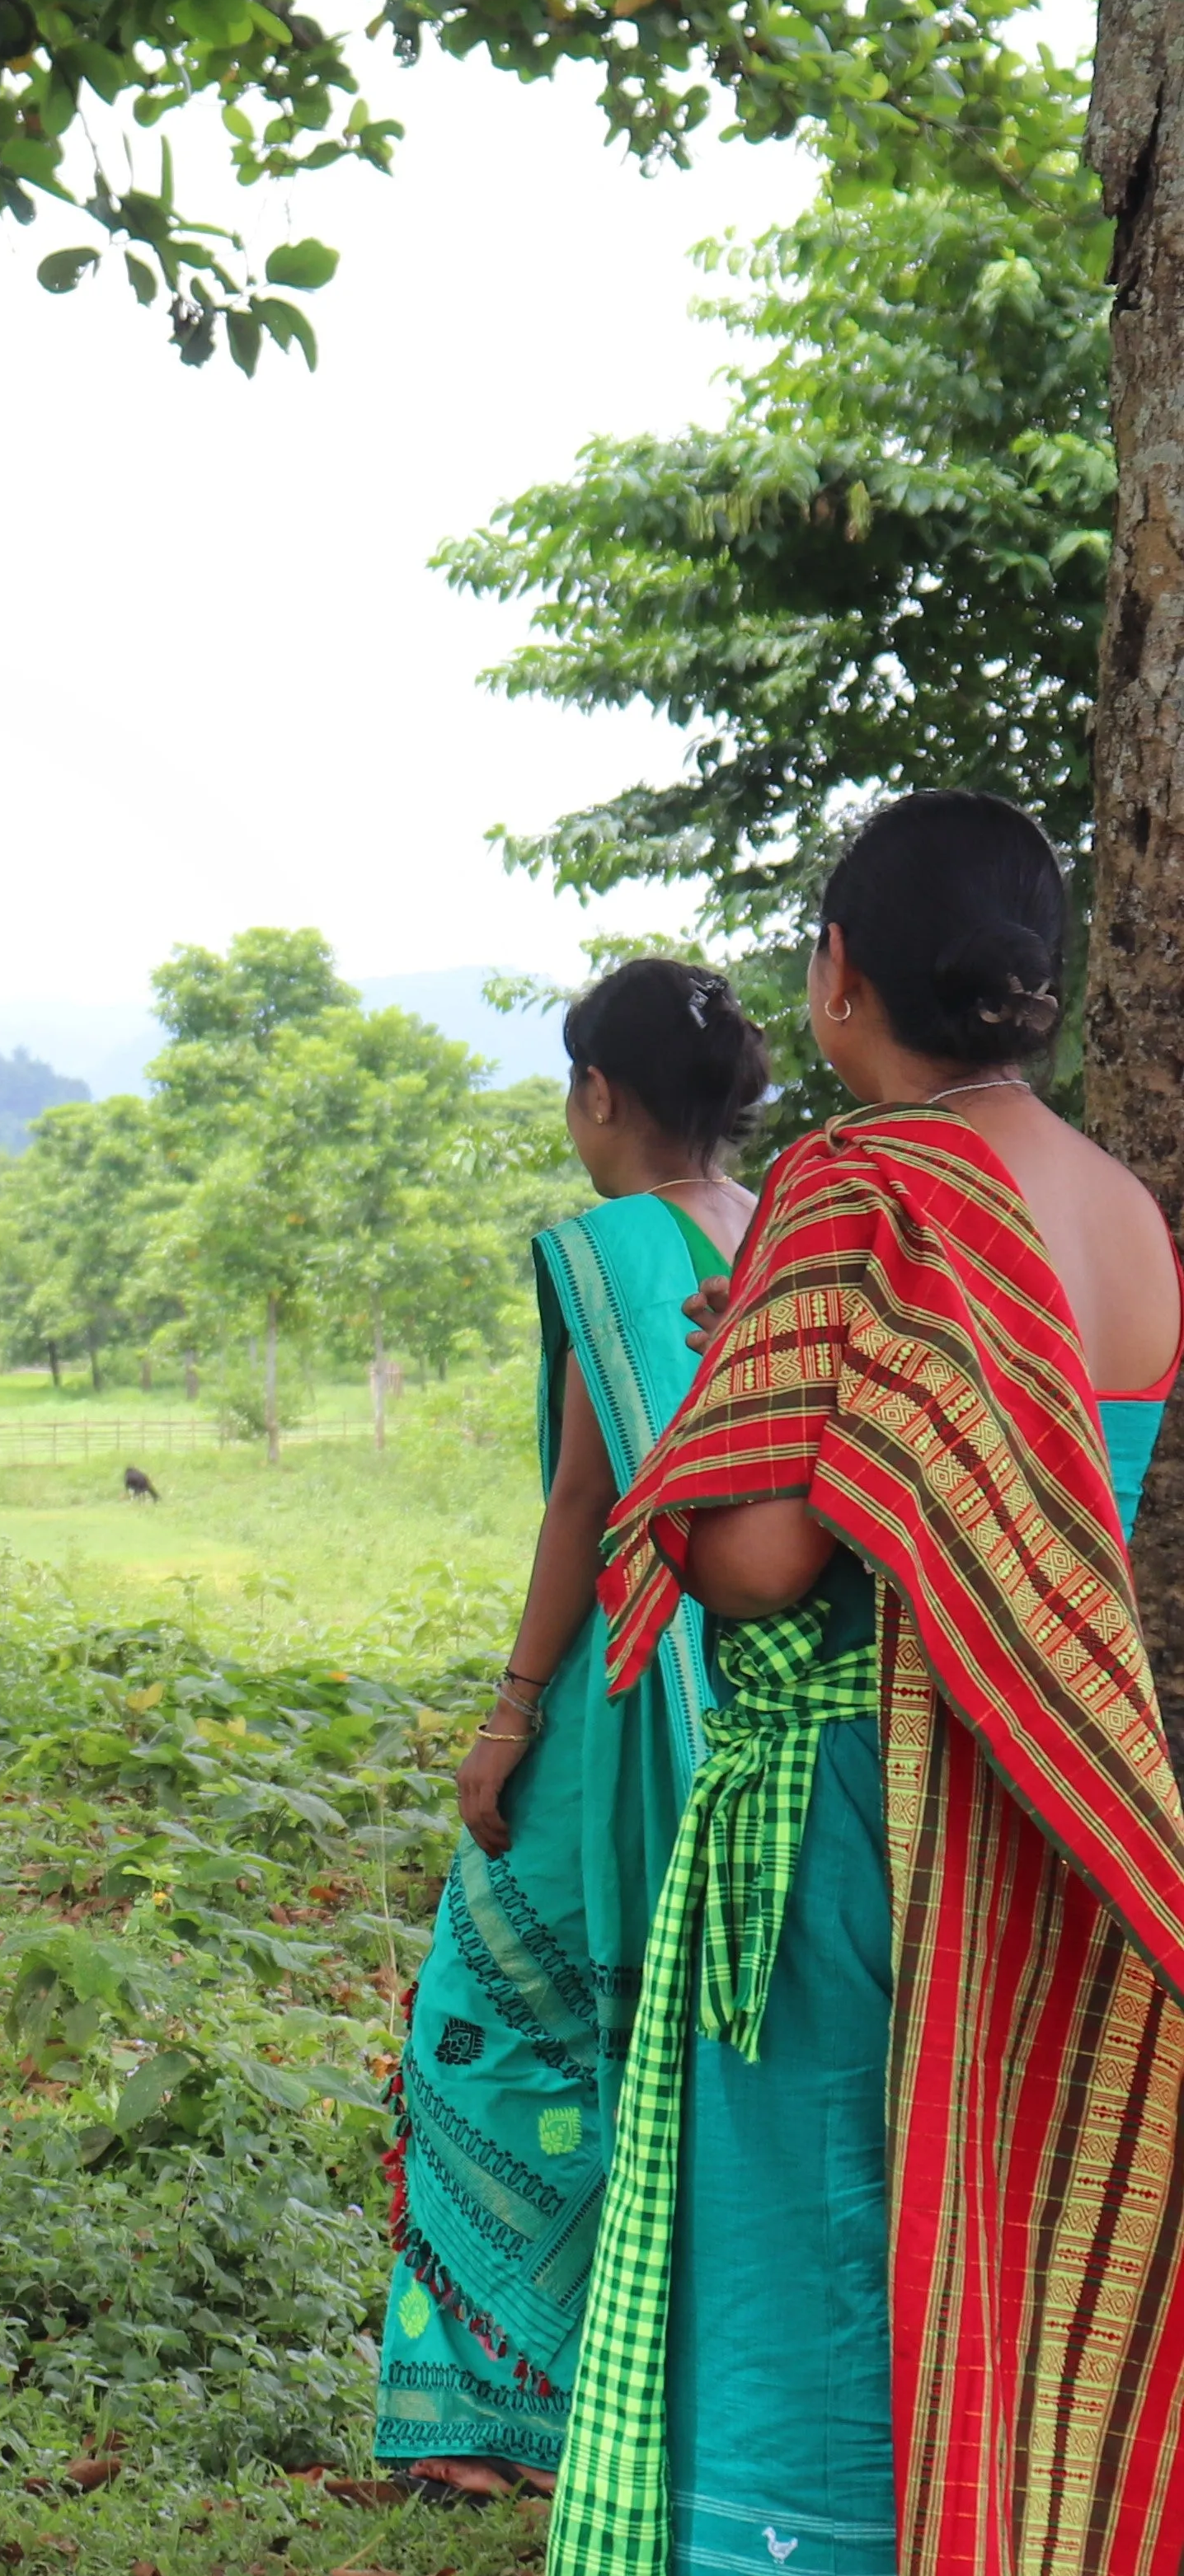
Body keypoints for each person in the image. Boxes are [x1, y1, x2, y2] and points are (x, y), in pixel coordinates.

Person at [538, 792, 1184, 2576]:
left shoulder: (856, 1192)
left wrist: (723, 1430)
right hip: (1032, 1815)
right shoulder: (1119, 1208)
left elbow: (753, 1559)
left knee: (878, 2270)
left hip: (852, 1801)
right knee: (924, 2246)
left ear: (838, 975)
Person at [378, 959, 767, 2498]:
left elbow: (584, 1500)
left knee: (481, 2022)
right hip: (747, 1690)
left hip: (620, 1692)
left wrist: (510, 1712)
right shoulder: (776, 1229)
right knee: (671, 2042)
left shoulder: (605, 1248)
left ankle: (493, 2420)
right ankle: (646, 2412)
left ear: (596, 1095)